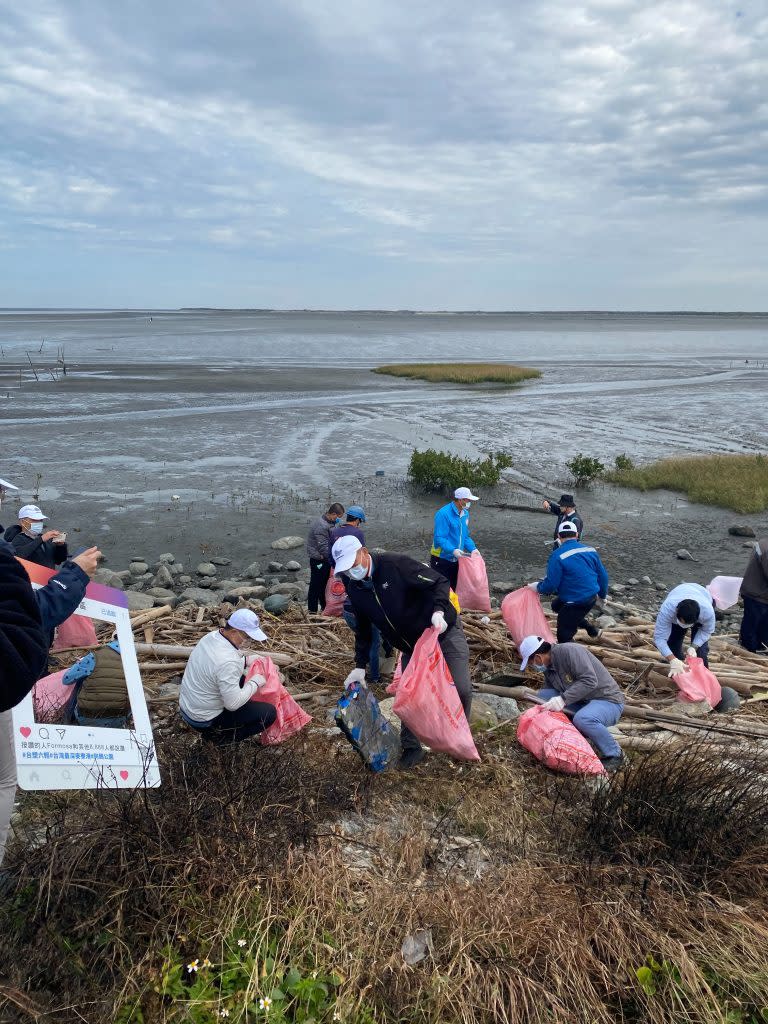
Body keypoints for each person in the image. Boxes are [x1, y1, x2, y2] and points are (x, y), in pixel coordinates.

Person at [333, 534, 472, 770]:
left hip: (442, 631)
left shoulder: (394, 564)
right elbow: (364, 628)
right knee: (409, 697)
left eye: (352, 565)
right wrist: (359, 666)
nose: (350, 572)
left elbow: (439, 581)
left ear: (364, 552)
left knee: (461, 688)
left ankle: (459, 738)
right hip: (411, 646)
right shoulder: (355, 587)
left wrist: (438, 611)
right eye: (345, 569)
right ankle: (411, 748)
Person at [519, 635, 626, 771]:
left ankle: (614, 754)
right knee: (543, 697)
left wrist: (563, 699)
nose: (533, 666)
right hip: (582, 701)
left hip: (607, 700)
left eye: (531, 663)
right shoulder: (549, 667)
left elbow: (589, 680)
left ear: (538, 657)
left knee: (583, 719)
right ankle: (566, 733)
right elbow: (548, 690)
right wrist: (538, 709)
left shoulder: (570, 652)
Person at [179, 608, 277, 743]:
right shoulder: (228, 661)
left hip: (189, 706)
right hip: (204, 719)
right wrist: (255, 682)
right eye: (247, 637)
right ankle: (221, 740)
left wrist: (246, 660)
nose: (248, 641)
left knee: (242, 680)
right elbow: (232, 704)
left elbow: (217, 665)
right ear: (234, 632)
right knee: (269, 713)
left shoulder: (212, 636)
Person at [529, 521, 608, 642]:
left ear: (559, 537)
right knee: (556, 605)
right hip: (592, 597)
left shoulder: (557, 556)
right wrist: (602, 596)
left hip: (575, 602)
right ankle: (591, 629)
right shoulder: (591, 550)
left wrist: (537, 587)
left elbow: (550, 586)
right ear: (577, 535)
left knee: (564, 637)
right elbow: (602, 576)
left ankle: (574, 654)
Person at [61, 640, 131, 727]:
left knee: (81, 678)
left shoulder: (95, 656)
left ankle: (68, 722)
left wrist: (80, 664)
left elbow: (67, 679)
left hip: (88, 717)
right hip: (119, 718)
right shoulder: (132, 660)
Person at [654, 582, 716, 674]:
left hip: (703, 596)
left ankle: (703, 676)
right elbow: (659, 638)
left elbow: (706, 631)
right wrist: (672, 659)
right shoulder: (668, 609)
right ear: (676, 612)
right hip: (680, 593)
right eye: (682, 622)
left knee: (701, 653)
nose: (684, 626)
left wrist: (694, 647)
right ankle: (679, 672)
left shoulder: (707, 613)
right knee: (673, 644)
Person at [430, 486, 479, 589]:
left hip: (457, 559)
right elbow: (439, 538)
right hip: (441, 558)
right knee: (441, 590)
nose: (470, 502)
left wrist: (473, 549)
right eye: (468, 500)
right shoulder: (443, 514)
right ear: (460, 500)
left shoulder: (465, 514)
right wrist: (453, 550)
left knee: (454, 588)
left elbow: (465, 536)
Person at [306, 502, 345, 613]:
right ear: (333, 514)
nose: (339, 520)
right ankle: (312, 611)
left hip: (326, 559)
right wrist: (336, 560)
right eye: (338, 517)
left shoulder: (330, 522)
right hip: (319, 560)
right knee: (315, 586)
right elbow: (323, 548)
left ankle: (324, 608)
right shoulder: (321, 526)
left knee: (324, 585)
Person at [4, 504, 68, 569]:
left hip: (47, 576)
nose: (39, 522)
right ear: (23, 522)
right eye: (34, 519)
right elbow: (18, 556)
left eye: (41, 520)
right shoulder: (17, 539)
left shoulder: (46, 539)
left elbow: (58, 561)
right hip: (29, 577)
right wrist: (41, 539)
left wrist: (60, 546)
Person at [740, 537, 768, 654]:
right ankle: (749, 650)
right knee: (753, 624)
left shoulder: (763, 542)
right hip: (757, 594)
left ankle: (761, 645)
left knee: (760, 623)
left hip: (756, 591)